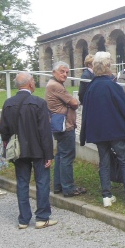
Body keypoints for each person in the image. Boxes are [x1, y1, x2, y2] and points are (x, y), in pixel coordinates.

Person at [80, 52, 125, 207]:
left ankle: (106, 196)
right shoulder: (112, 86)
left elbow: (86, 112)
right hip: (115, 131)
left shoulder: (91, 87)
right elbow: (124, 108)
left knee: (104, 161)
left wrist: (84, 135)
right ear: (107, 67)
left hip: (99, 133)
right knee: (124, 159)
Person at [0, 72, 57, 229]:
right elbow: (44, 131)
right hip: (37, 148)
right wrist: (48, 154)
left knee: (22, 183)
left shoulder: (8, 103)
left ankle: (23, 219)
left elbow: (3, 129)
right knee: (42, 182)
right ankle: (42, 217)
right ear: (30, 84)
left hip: (18, 149)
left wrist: (9, 144)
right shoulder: (38, 102)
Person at [46, 61, 86, 197]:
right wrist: (72, 103)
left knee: (61, 156)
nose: (65, 74)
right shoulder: (56, 86)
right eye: (62, 71)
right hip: (64, 126)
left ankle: (58, 186)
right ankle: (68, 188)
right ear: (54, 72)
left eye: (67, 72)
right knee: (67, 156)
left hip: (59, 125)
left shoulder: (53, 85)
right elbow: (74, 103)